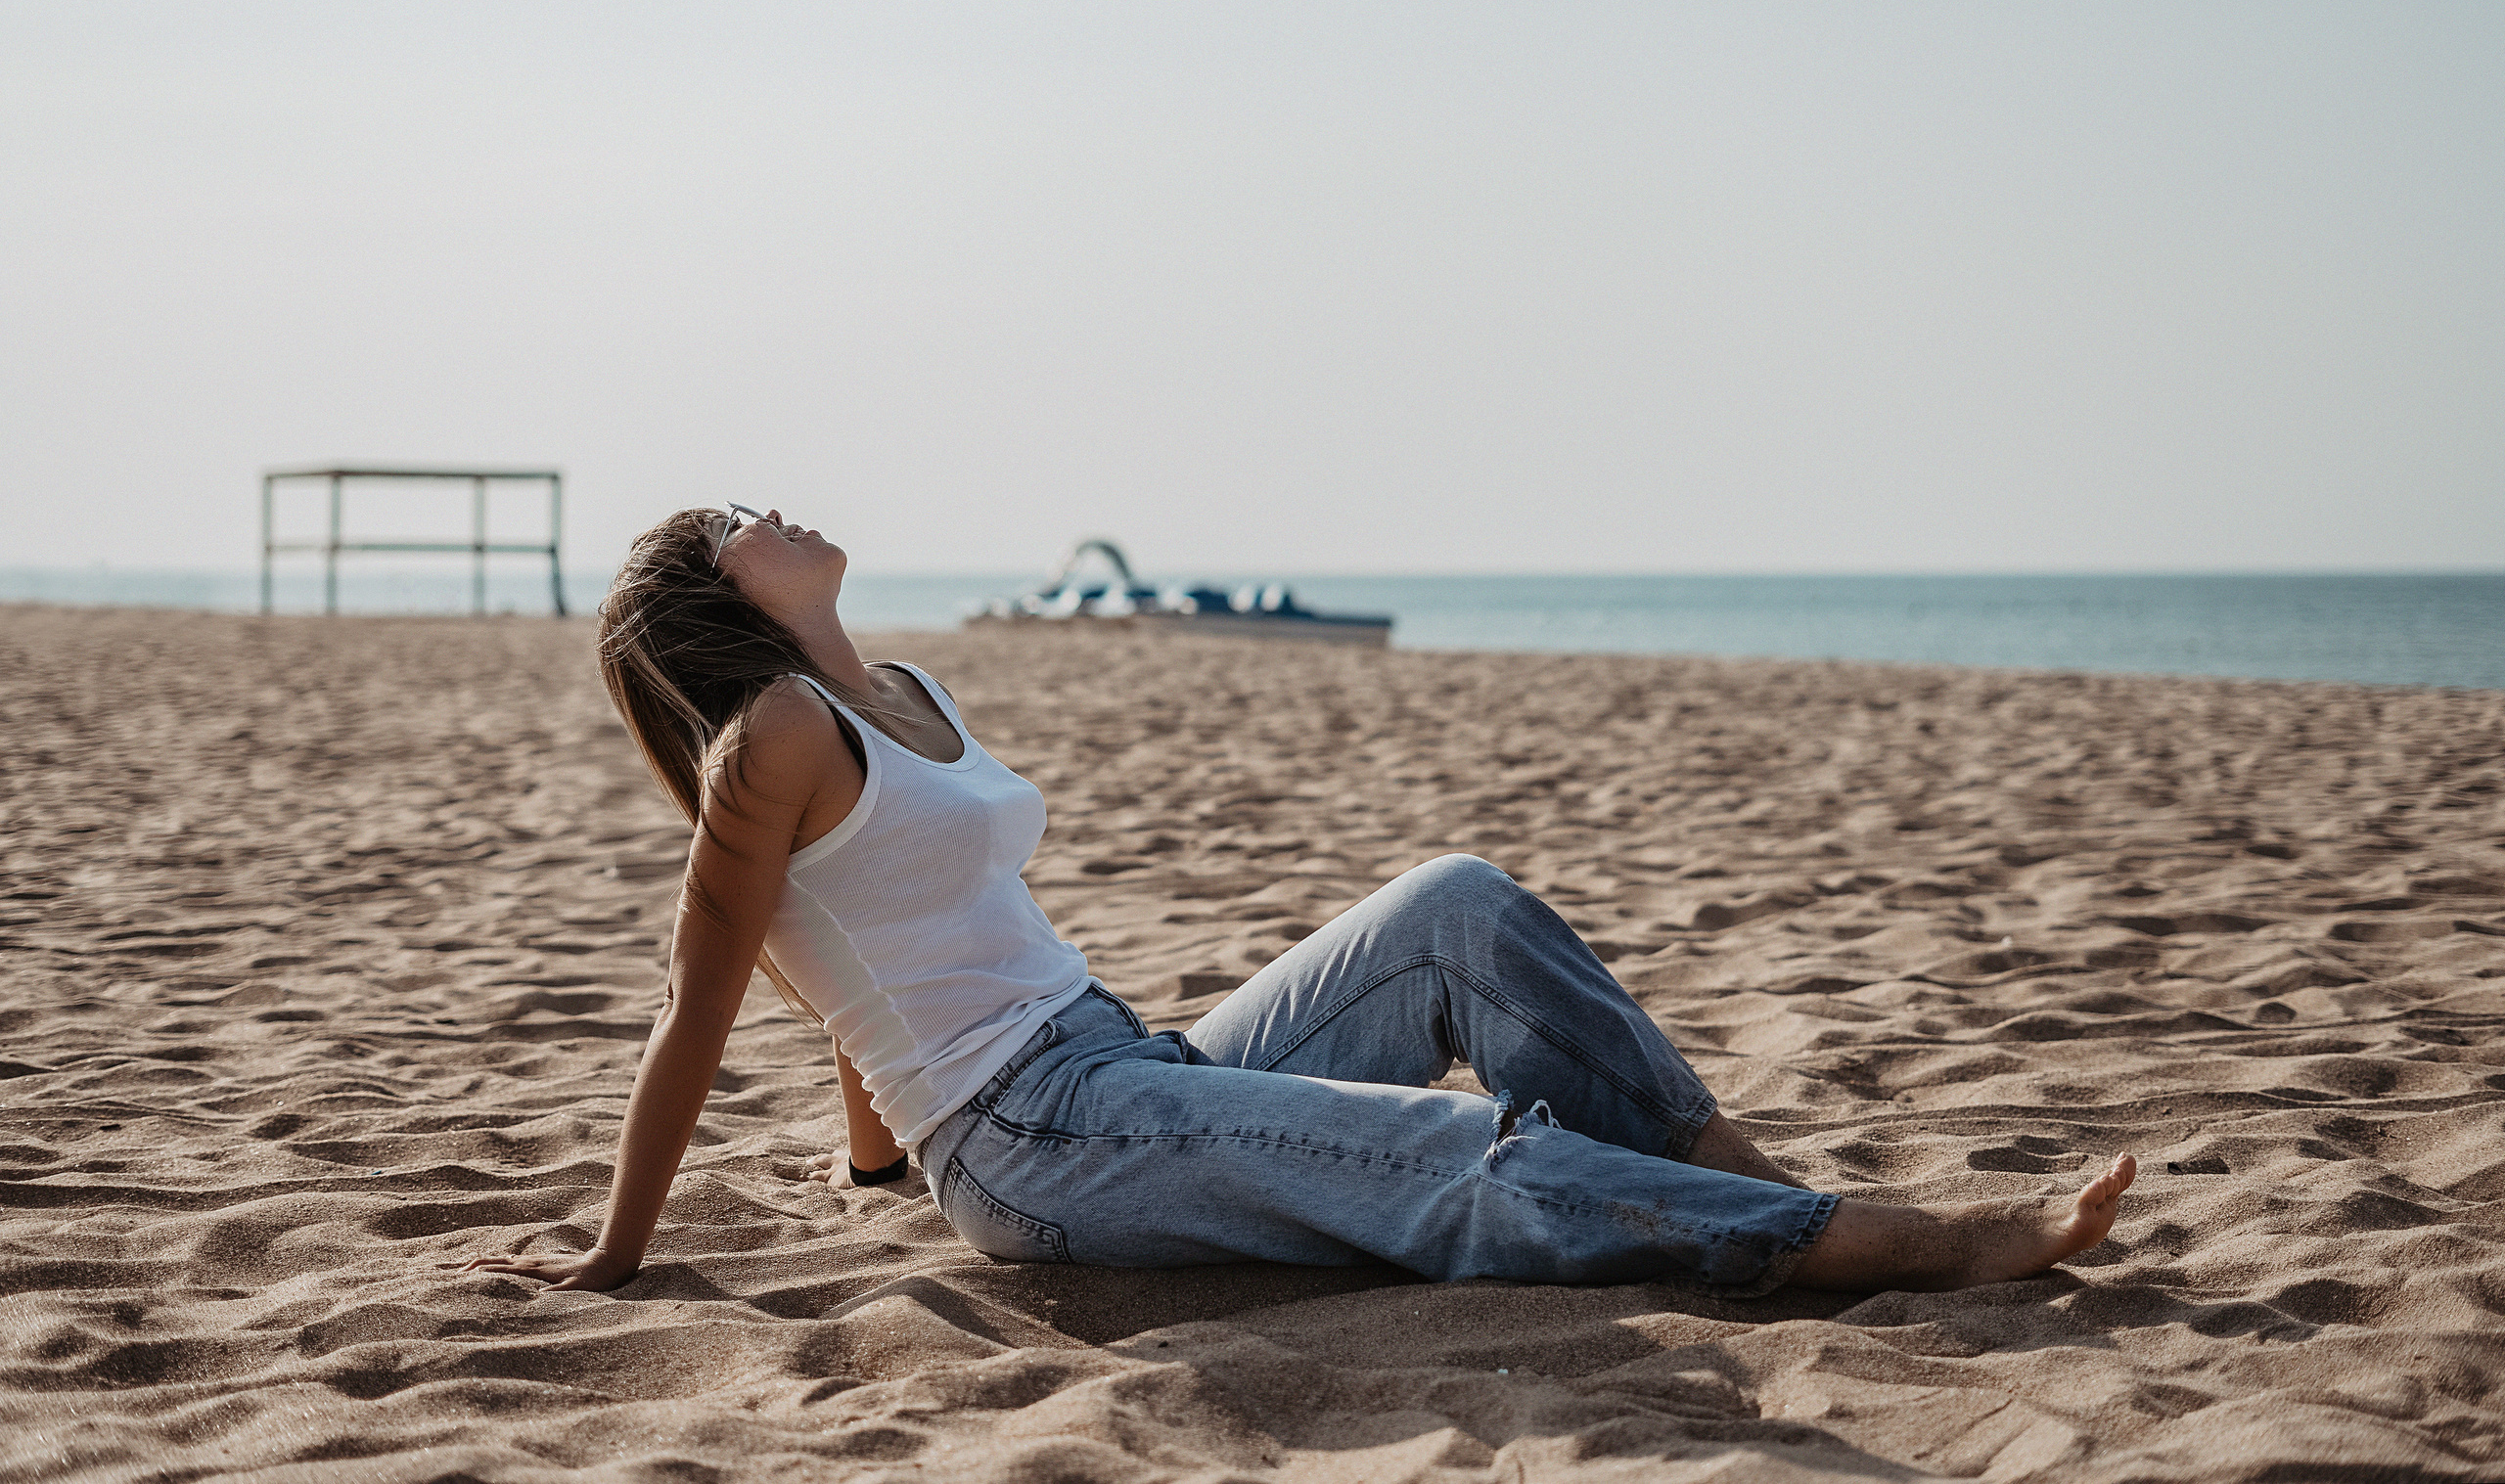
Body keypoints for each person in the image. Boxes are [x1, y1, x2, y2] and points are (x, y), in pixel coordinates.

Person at [463, 506, 2134, 1296]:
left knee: (1458, 906)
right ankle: (1901, 1253)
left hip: (1124, 1064)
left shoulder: (885, 687)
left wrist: (867, 1157)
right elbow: (707, 997)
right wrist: (617, 1251)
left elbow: (882, 919)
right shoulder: (763, 744)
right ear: (712, 596)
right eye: (734, 524)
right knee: (1441, 1165)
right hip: (1038, 1141)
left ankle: (1765, 1198)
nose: (776, 509)